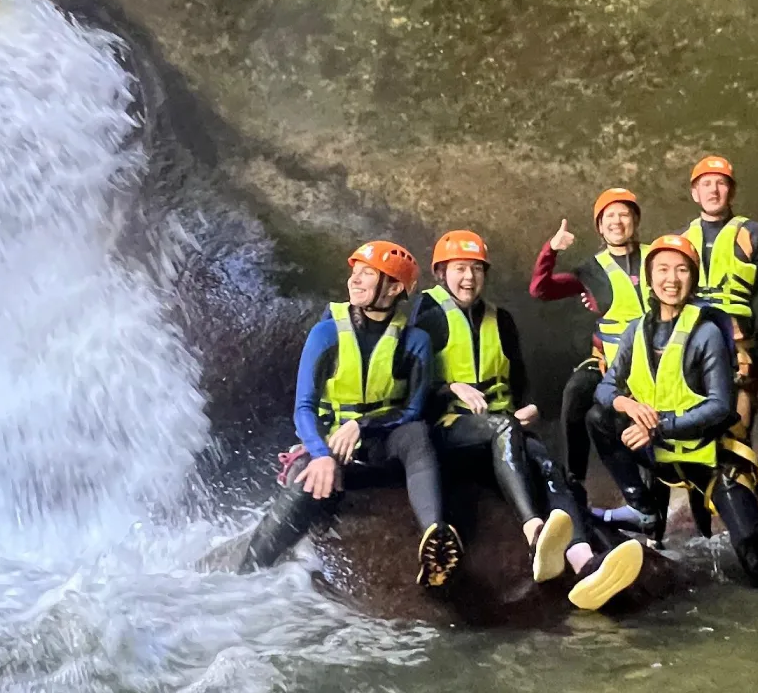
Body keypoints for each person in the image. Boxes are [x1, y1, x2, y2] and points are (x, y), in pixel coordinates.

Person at [240, 240, 465, 585]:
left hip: (381, 446)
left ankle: (436, 536)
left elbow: (413, 410)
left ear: (393, 288)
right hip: (334, 449)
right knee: (309, 480)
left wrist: (364, 424)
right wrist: (320, 454)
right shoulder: (327, 333)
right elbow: (304, 408)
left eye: (367, 274)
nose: (355, 281)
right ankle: (247, 572)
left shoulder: (414, 340)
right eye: (355, 273)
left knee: (418, 435)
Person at [588, 234, 758, 596]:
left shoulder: (707, 332)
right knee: (598, 417)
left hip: (708, 456)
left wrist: (659, 426)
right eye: (663, 269)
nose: (672, 279)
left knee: (753, 556)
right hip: (660, 456)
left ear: (693, 279)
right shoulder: (636, 331)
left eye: (682, 270)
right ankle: (641, 506)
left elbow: (720, 406)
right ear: (650, 278)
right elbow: (605, 390)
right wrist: (628, 405)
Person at [416, 230, 578, 579]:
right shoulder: (425, 316)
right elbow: (410, 390)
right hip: (451, 431)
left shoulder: (500, 319)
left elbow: (519, 381)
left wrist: (530, 407)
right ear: (441, 273)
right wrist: (450, 387)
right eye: (459, 268)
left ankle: (583, 558)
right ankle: (534, 530)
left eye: (476, 269)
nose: (468, 277)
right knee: (504, 427)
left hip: (503, 429)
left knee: (548, 464)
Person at [527, 188, 646, 482]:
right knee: (575, 393)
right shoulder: (590, 270)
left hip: (657, 358)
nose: (617, 221)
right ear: (600, 226)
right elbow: (540, 289)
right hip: (610, 362)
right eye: (610, 216)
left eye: (624, 214)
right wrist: (551, 250)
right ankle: (575, 480)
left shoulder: (656, 255)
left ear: (635, 221)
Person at [681, 155, 758, 436]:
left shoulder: (753, 234)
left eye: (721, 183)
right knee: (693, 433)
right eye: (706, 184)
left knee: (736, 433)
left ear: (732, 190)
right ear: (695, 193)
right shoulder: (682, 240)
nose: (713, 190)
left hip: (739, 348)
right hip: (691, 345)